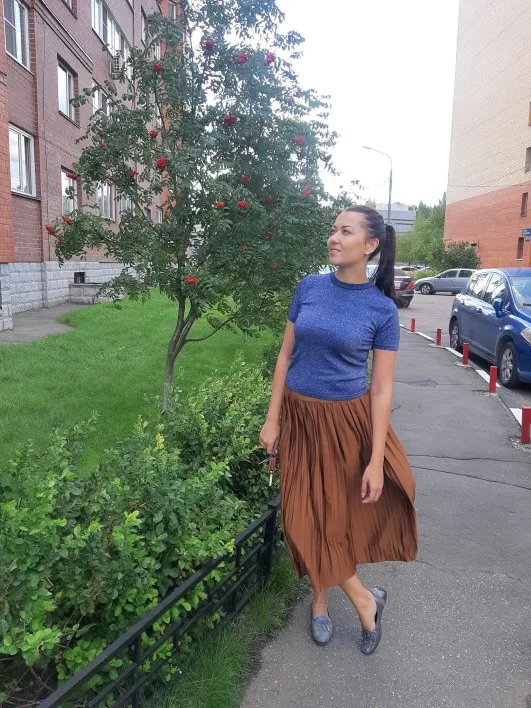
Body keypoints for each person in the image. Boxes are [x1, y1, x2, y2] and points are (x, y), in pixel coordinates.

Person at [260, 205, 417, 655]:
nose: (333, 237)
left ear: (370, 245)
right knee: (301, 518)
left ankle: (324, 603)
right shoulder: (308, 288)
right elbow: (285, 356)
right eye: (333, 230)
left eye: (345, 231)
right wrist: (272, 418)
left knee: (330, 518)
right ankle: (365, 600)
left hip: (344, 425)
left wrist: (375, 460)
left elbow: (381, 389)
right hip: (300, 420)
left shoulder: (381, 310)